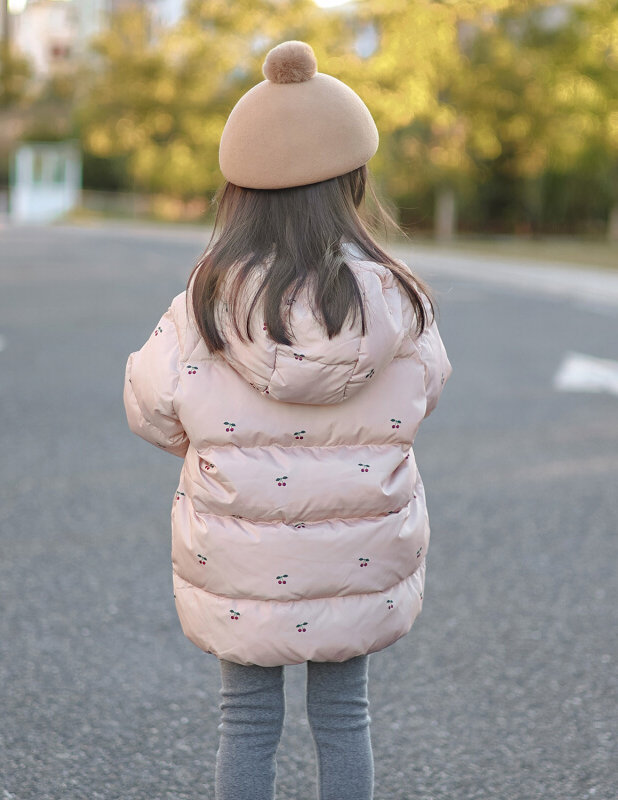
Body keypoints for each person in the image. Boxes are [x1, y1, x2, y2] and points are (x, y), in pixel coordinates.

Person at [123, 40, 452, 800]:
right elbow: (424, 394)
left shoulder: (204, 305)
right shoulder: (400, 304)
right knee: (345, 717)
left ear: (238, 194)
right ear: (353, 186)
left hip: (240, 553)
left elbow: (149, 407)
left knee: (244, 720)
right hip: (358, 550)